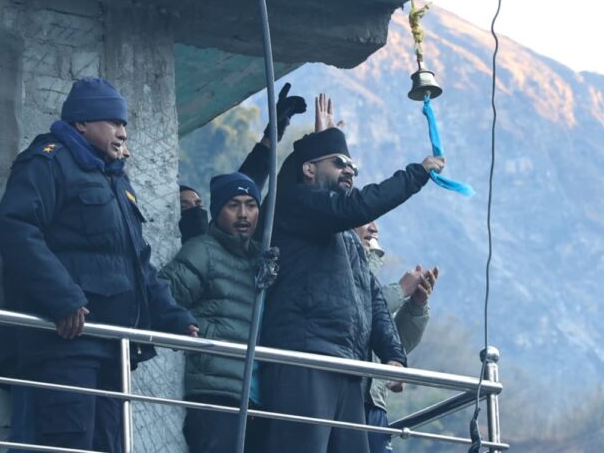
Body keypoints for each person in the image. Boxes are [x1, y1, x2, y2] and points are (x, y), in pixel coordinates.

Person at [0, 77, 199, 453]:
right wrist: (63, 298)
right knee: (66, 443)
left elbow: (137, 262)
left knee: (110, 444)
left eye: (124, 124)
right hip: (65, 346)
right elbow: (16, 230)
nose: (123, 133)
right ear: (81, 123)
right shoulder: (47, 162)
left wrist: (174, 317)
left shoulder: (116, 180)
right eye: (114, 122)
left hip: (113, 349)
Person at [259, 94, 447, 453]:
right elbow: (354, 205)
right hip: (305, 357)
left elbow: (372, 299)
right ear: (308, 169)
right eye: (340, 162)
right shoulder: (292, 204)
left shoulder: (346, 237)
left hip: (349, 367)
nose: (350, 171)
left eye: (354, 168)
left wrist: (393, 355)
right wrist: (417, 174)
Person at [159, 172, 266, 453]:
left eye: (251, 205)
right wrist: (182, 323)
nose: (243, 214)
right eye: (233, 205)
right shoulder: (202, 250)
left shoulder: (262, 259)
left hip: (258, 397)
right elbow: (162, 294)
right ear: (217, 210)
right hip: (215, 394)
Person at [177, 82, 306, 245]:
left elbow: (249, 178)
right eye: (184, 207)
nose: (195, 211)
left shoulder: (224, 243)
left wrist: (274, 130)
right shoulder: (184, 257)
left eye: (198, 204)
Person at [355, 221, 436, 453]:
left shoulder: (371, 277)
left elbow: (397, 342)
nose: (374, 228)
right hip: (348, 397)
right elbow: (357, 310)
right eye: (367, 218)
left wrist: (416, 307)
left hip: (374, 403)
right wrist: (400, 290)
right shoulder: (335, 268)